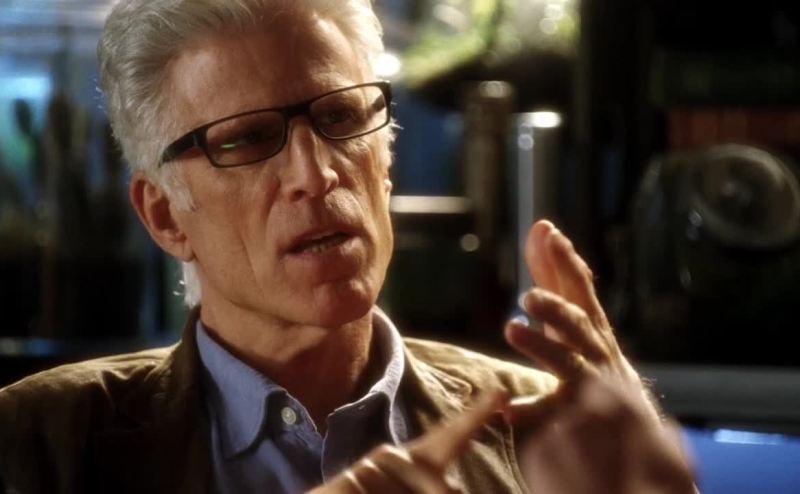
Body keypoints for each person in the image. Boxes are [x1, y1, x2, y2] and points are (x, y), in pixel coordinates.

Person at [0, 1, 696, 493]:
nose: (316, 173)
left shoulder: (539, 425)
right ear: (165, 216)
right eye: (248, 139)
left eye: (339, 116)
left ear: (386, 160)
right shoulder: (38, 439)